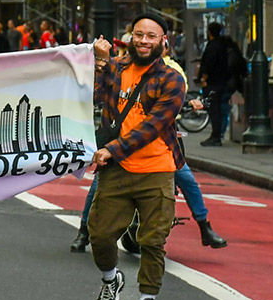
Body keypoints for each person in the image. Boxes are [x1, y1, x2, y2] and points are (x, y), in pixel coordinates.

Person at [71, 38, 227, 252]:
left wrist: (190, 104)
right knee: (99, 184)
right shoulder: (121, 66)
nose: (143, 47)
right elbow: (98, 91)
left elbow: (176, 97)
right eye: (135, 44)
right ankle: (84, 231)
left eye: (153, 41)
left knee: (187, 178)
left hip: (161, 143)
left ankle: (204, 226)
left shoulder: (172, 70)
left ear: (163, 47)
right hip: (122, 142)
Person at [88, 13, 185, 300]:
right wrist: (100, 65)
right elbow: (96, 100)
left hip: (157, 169)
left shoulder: (172, 79)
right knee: (100, 234)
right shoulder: (116, 68)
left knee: (153, 241)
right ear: (129, 36)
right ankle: (111, 279)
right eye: (139, 34)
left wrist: (111, 150)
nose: (144, 41)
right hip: (117, 170)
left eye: (151, 36)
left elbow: (153, 126)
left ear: (163, 42)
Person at [197, 21, 243, 146]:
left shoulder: (212, 46)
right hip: (222, 82)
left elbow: (208, 64)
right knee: (218, 108)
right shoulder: (223, 46)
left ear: (209, 32)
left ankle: (216, 135)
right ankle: (218, 134)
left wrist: (203, 78)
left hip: (213, 83)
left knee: (214, 110)